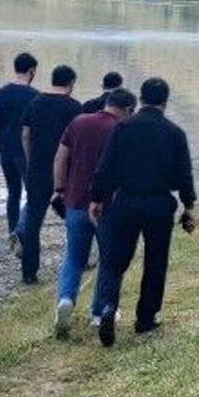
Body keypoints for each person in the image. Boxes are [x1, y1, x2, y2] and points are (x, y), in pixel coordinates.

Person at [90, 77, 196, 348]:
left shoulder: (123, 127)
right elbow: (184, 175)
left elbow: (106, 166)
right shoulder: (174, 133)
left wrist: (98, 198)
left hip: (125, 202)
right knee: (155, 261)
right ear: (165, 101)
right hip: (159, 204)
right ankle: (145, 318)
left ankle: (108, 307)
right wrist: (189, 206)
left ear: (142, 98)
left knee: (115, 260)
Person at [51, 88, 136, 337]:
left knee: (74, 257)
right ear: (129, 109)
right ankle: (99, 313)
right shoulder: (123, 131)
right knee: (109, 261)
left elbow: (60, 158)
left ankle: (66, 299)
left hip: (75, 202)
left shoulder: (79, 121)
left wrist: (59, 189)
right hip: (109, 207)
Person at [18, 65, 81, 285]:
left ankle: (29, 272)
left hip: (37, 170)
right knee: (72, 219)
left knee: (33, 222)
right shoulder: (75, 108)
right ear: (71, 83)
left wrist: (30, 159)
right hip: (65, 173)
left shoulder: (34, 103)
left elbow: (25, 134)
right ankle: (76, 262)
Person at [0, 52, 38, 236]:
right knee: (32, 193)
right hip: (26, 152)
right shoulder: (35, 96)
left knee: (13, 193)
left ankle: (12, 231)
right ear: (31, 70)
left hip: (5, 150)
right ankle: (25, 230)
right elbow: (34, 130)